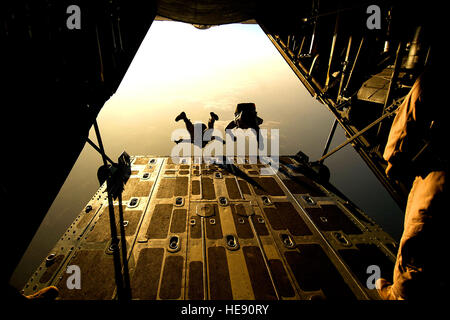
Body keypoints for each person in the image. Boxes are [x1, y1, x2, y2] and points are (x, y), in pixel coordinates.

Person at [376, 67, 449, 300]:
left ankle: (400, 295)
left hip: (439, 169)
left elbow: (420, 97)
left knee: (420, 235)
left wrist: (395, 155)